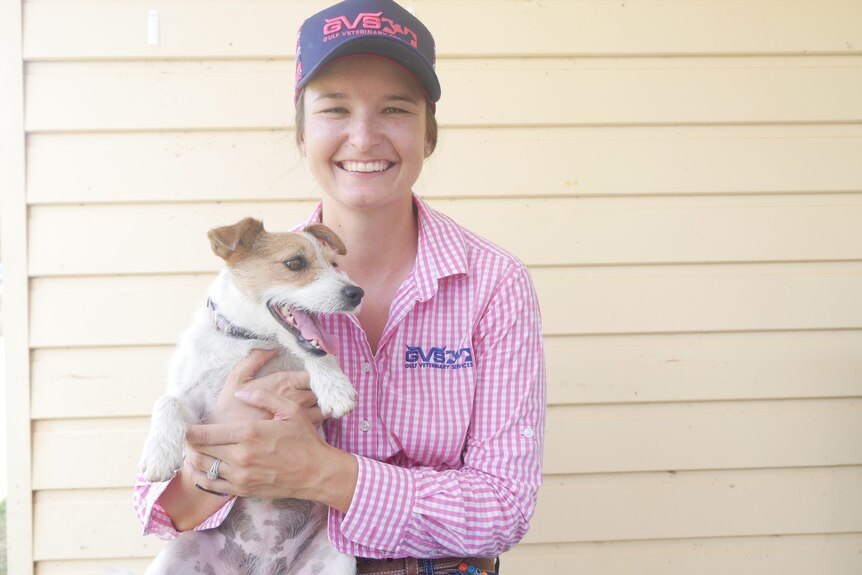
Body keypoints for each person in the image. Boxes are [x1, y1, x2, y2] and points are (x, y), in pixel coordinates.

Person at [134, 0, 546, 572]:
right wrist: (225, 450)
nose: (363, 136)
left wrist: (321, 473)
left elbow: (503, 509)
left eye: (395, 109)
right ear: (302, 133)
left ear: (429, 134)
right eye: (334, 110)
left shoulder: (495, 285)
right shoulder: (256, 286)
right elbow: (162, 512)